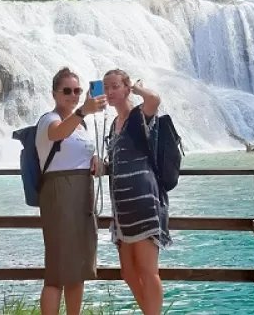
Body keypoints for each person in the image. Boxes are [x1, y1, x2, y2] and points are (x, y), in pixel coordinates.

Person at [35, 67, 106, 315]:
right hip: (60, 197)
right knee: (56, 272)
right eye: (67, 90)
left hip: (81, 198)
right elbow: (56, 134)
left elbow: (77, 152)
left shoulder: (81, 125)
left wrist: (95, 159)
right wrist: (83, 110)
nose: (73, 95)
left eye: (77, 90)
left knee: (78, 270)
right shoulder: (48, 119)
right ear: (55, 93)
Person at [102, 69, 169, 315]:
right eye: (106, 87)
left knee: (147, 270)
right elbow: (119, 160)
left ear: (126, 87)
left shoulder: (139, 115)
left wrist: (138, 88)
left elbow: (154, 100)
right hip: (121, 205)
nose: (109, 92)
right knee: (128, 272)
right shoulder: (113, 124)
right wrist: (103, 166)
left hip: (142, 200)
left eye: (115, 86)